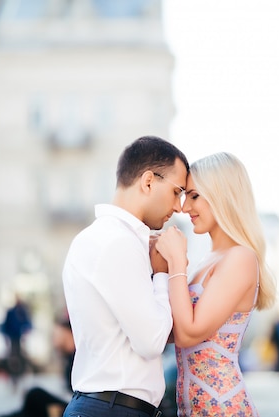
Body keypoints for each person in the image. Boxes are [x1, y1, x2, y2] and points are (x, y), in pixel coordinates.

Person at [61, 136, 189, 417]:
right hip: (112, 408)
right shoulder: (116, 242)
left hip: (107, 406)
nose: (179, 206)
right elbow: (152, 341)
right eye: (176, 191)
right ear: (148, 182)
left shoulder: (107, 238)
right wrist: (163, 273)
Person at [155, 152, 277, 417]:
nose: (185, 207)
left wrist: (176, 262)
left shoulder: (241, 258)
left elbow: (188, 334)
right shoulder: (206, 262)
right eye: (185, 195)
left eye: (195, 196)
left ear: (224, 195)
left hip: (223, 409)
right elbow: (172, 332)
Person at [0, 296, 33, 388]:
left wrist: (26, 331)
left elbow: (28, 323)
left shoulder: (22, 312)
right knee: (13, 358)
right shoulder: (12, 312)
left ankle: (20, 375)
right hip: (13, 338)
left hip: (21, 338)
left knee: (21, 357)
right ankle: (14, 377)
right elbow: (6, 325)